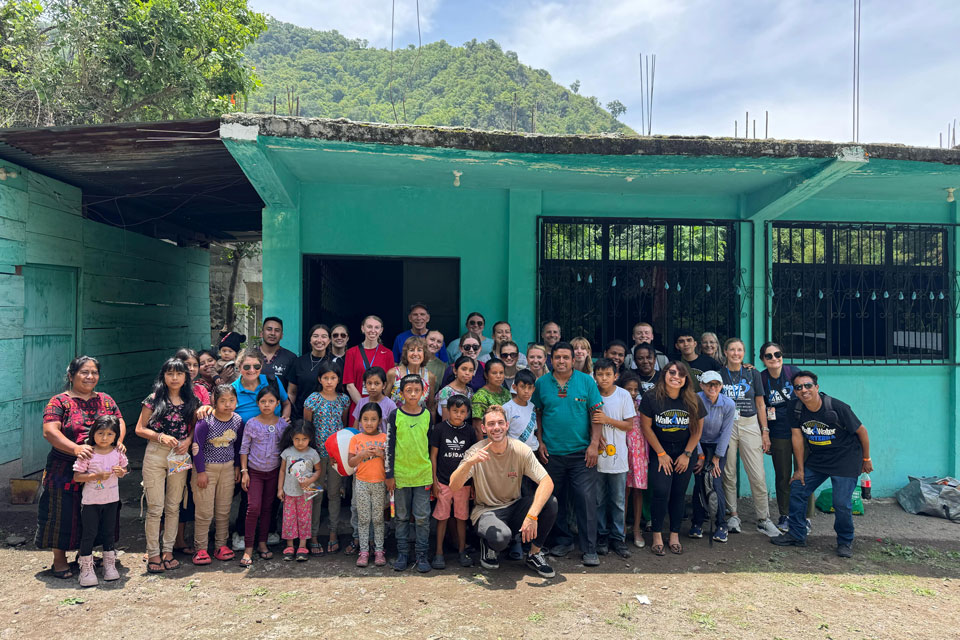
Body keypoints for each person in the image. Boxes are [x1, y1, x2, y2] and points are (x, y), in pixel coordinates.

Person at [36, 356, 125, 579]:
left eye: (94, 372)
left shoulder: (105, 400)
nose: (90, 377)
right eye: (84, 372)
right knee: (63, 512)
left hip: (100, 466)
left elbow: (119, 421)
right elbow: (50, 431)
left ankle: (85, 554)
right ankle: (59, 560)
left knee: (97, 511)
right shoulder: (59, 401)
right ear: (71, 375)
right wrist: (75, 449)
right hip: (64, 466)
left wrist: (118, 443)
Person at [449, 405, 558, 579]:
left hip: (514, 507)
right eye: (491, 424)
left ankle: (534, 554)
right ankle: (489, 545)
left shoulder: (520, 449)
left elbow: (546, 481)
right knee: (501, 538)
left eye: (500, 423)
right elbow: (453, 485)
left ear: (507, 425)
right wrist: (470, 463)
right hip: (486, 511)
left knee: (550, 503)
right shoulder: (476, 451)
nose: (496, 427)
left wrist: (532, 516)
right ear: (484, 428)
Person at [771, 371, 873, 558]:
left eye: (808, 385)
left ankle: (844, 541)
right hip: (819, 458)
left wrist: (866, 459)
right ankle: (797, 535)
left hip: (846, 458)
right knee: (798, 488)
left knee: (841, 503)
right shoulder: (795, 408)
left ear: (817, 387)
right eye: (799, 387)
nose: (804, 390)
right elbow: (797, 438)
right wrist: (799, 470)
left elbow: (862, 431)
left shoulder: (836, 407)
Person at [532, 341, 604, 566]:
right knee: (555, 500)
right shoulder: (542, 383)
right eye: (557, 357)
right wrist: (540, 442)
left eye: (566, 357)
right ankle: (562, 541)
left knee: (585, 500)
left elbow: (596, 413)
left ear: (573, 360)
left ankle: (589, 548)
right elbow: (539, 414)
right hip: (551, 453)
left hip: (582, 454)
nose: (561, 361)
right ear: (550, 360)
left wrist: (594, 445)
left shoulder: (586, 382)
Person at [135, 358, 203, 574]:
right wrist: (160, 437)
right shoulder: (154, 399)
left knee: (174, 505)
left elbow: (195, 428)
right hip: (156, 453)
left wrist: (188, 440)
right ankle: (153, 552)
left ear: (186, 378)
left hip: (180, 454)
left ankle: (168, 551)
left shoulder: (191, 399)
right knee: (156, 508)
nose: (174, 378)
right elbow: (139, 428)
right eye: (170, 373)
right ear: (163, 376)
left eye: (179, 374)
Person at [638, 361, 706, 556]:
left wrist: (687, 454)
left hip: (684, 451)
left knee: (678, 493)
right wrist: (661, 454)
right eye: (672, 372)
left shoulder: (693, 400)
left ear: (686, 379)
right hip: (660, 450)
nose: (676, 377)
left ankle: (674, 535)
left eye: (681, 374)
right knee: (660, 490)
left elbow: (697, 430)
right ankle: (657, 535)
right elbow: (646, 428)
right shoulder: (651, 397)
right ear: (665, 374)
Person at [719, 338, 781, 537]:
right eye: (732, 350)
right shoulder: (719, 374)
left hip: (749, 423)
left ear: (744, 353)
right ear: (725, 352)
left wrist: (765, 431)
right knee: (728, 473)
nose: (736, 353)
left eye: (739, 350)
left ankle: (763, 519)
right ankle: (733, 515)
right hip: (726, 426)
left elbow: (761, 404)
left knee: (757, 474)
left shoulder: (752, 373)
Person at [759, 341, 813, 532]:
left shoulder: (793, 373)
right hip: (779, 431)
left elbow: (808, 394)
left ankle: (805, 515)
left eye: (777, 354)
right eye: (769, 356)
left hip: (801, 428)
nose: (774, 358)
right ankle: (785, 514)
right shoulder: (762, 378)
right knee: (783, 475)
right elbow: (760, 407)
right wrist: (765, 434)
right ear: (763, 360)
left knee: (804, 471)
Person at [385, 375, 434, 573]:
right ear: (401, 393)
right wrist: (389, 474)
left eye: (417, 390)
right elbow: (389, 445)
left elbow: (431, 446)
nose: (413, 394)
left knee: (422, 517)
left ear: (423, 392)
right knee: (402, 517)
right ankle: (403, 553)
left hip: (422, 474)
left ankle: (422, 554)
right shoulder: (395, 415)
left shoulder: (428, 415)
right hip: (400, 475)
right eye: (408, 390)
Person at [71, 415, 128, 587]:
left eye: (110, 434)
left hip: (111, 500)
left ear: (116, 436)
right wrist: (95, 476)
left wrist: (121, 472)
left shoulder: (118, 452)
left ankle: (109, 565)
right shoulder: (88, 453)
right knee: (89, 534)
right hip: (91, 502)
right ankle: (86, 568)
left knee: (109, 532)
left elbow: (125, 469)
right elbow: (77, 477)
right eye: (100, 433)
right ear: (93, 433)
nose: (105, 438)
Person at [190, 384, 242, 565]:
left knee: (223, 509)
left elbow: (237, 446)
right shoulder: (206, 421)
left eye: (231, 400)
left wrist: (236, 466)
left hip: (227, 469)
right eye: (223, 401)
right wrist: (201, 472)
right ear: (214, 401)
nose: (228, 405)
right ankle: (201, 548)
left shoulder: (237, 420)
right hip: (207, 469)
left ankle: (221, 545)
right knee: (204, 511)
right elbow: (196, 447)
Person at [303, 360, 351, 554]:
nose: (329, 382)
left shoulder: (343, 400)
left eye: (333, 378)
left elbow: (345, 426)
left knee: (334, 494)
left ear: (338, 379)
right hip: (316, 455)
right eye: (326, 378)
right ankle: (313, 535)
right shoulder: (313, 399)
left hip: (337, 456)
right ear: (319, 379)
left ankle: (332, 533)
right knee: (315, 495)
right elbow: (307, 428)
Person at [238, 386, 288, 567]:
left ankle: (262, 543)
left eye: (271, 401)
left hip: (274, 472)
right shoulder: (252, 423)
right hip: (255, 472)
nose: (267, 405)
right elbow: (244, 449)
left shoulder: (283, 424)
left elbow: (286, 451)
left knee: (268, 508)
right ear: (257, 403)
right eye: (263, 401)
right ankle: (248, 548)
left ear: (277, 403)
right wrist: (244, 472)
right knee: (253, 507)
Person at [592, 358, 637, 558]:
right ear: (594, 376)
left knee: (618, 501)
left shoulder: (623, 395)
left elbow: (630, 425)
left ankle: (618, 538)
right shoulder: (591, 394)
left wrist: (607, 420)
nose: (604, 378)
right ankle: (602, 536)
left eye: (608, 374)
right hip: (598, 457)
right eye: (600, 374)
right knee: (599, 500)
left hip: (619, 458)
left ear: (615, 376)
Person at [430, 394, 477, 569]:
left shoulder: (470, 431)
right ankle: (439, 553)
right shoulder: (440, 429)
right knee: (442, 517)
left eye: (462, 411)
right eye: (455, 411)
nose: (458, 414)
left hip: (463, 483)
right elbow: (433, 456)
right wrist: (433, 481)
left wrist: (472, 483)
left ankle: (461, 551)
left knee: (461, 517)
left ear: (467, 413)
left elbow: (472, 458)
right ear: (448, 411)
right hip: (442, 482)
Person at [689, 371, 735, 543]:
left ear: (721, 386)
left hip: (718, 447)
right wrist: (700, 454)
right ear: (702, 385)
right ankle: (697, 522)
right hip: (698, 444)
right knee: (699, 481)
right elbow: (694, 429)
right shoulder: (694, 400)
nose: (712, 387)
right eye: (709, 384)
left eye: (716, 384)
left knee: (715, 482)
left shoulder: (728, 404)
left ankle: (721, 524)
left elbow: (726, 433)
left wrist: (716, 458)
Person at [349, 403, 389, 567]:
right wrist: (362, 454)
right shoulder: (356, 438)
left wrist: (381, 453)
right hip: (362, 483)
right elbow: (350, 462)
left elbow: (391, 462)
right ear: (360, 421)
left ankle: (379, 551)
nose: (369, 423)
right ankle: (364, 551)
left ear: (380, 421)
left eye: (373, 419)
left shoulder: (384, 438)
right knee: (364, 519)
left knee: (378, 519)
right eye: (365, 419)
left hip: (379, 483)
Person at [278, 422, 322, 563]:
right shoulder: (288, 452)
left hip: (305, 493)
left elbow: (318, 470)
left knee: (304, 519)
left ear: (310, 439)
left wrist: (311, 480)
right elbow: (282, 471)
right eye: (297, 439)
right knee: (289, 519)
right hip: (289, 492)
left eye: (304, 439)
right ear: (291, 438)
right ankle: (290, 546)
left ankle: (302, 546)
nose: (300, 442)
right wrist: (280, 489)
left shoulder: (312, 453)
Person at [617, 373, 648, 548]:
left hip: (639, 452)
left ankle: (636, 528)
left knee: (638, 490)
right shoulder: (619, 404)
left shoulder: (642, 405)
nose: (633, 393)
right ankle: (620, 528)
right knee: (624, 491)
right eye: (629, 389)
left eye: (636, 389)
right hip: (622, 450)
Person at [343, 315, 396, 414]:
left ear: (381, 330)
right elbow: (349, 385)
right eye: (369, 327)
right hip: (358, 407)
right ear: (363, 328)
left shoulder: (388, 353)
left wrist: (377, 407)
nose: (373, 330)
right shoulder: (351, 352)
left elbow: (389, 384)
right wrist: (364, 407)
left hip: (381, 409)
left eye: (376, 327)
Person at [232, 349, 291, 424]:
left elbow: (286, 403)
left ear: (261, 366)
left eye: (256, 366)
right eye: (247, 367)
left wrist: (285, 418)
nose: (252, 370)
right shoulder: (232, 390)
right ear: (239, 367)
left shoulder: (273, 381)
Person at [287, 323, 332, 420]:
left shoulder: (333, 364)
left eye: (324, 337)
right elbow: (292, 392)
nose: (319, 340)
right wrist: (289, 414)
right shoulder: (299, 362)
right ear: (310, 340)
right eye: (315, 336)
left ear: (329, 341)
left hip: (326, 418)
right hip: (300, 417)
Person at [386, 336, 437, 414]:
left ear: (424, 354)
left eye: (419, 350)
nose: (415, 354)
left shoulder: (430, 376)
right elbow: (384, 402)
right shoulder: (393, 374)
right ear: (406, 353)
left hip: (420, 423)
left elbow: (430, 407)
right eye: (411, 350)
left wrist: (432, 426)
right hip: (396, 422)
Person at [471, 358, 511, 439]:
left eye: (501, 373)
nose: (498, 376)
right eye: (494, 373)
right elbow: (477, 427)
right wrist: (482, 448)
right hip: (488, 439)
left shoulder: (506, 393)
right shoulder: (480, 396)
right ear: (486, 375)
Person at [348, 366, 396, 431]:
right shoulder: (361, 402)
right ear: (365, 384)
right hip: (362, 440)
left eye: (377, 383)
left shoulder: (390, 405)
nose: (372, 387)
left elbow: (394, 428)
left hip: (382, 440)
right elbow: (355, 427)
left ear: (384, 385)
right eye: (369, 383)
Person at [503, 369, 540, 453]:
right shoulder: (507, 408)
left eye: (530, 387)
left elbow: (535, 430)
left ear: (533, 389)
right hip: (515, 452)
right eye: (522, 387)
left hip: (533, 450)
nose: (526, 391)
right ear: (514, 387)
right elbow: (503, 433)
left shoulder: (532, 406)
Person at [257, 317, 298, 385]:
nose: (273, 333)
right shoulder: (250, 355)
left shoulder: (291, 358)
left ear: (281, 335)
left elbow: (292, 391)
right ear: (261, 333)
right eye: (269, 329)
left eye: (277, 330)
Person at [436, 356, 476, 421]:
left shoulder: (470, 391)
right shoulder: (446, 392)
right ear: (455, 370)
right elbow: (446, 422)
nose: (467, 373)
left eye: (471, 370)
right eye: (464, 369)